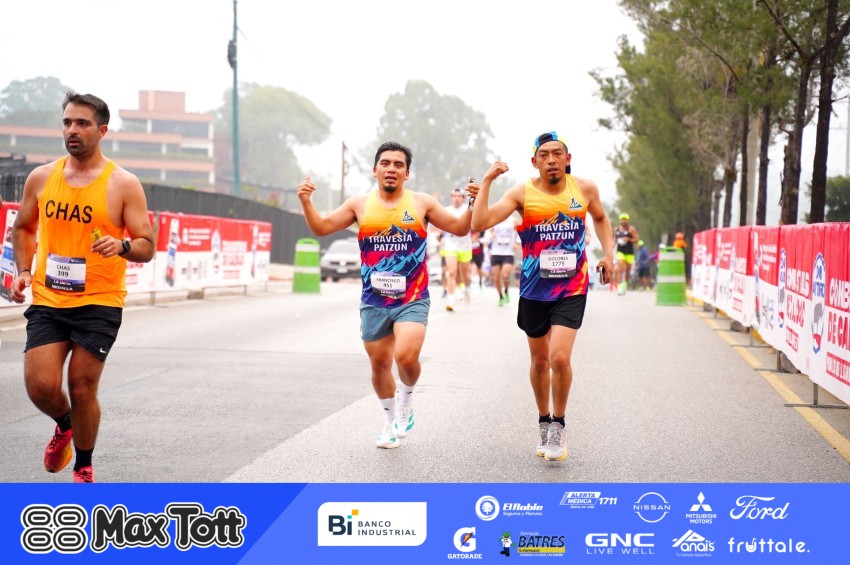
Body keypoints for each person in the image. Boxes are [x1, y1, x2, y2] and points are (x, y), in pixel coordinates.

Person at [10, 91, 155, 483]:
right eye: (67, 123)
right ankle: (65, 425)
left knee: (81, 386)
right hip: (50, 297)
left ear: (102, 131)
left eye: (82, 124)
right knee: (40, 386)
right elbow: (23, 227)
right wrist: (23, 270)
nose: (72, 130)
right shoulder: (42, 177)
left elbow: (146, 244)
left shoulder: (123, 184)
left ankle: (84, 467)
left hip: (100, 301)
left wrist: (123, 246)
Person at [297, 141, 476, 448]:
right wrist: (306, 201)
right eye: (386, 163)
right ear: (375, 170)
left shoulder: (422, 203)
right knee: (379, 365)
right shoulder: (359, 204)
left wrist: (473, 203)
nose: (391, 169)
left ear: (407, 174)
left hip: (412, 298)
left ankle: (406, 400)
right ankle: (389, 422)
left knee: (406, 357)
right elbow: (322, 227)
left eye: (398, 165)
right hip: (374, 301)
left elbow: (459, 228)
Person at [471, 131, 614, 461]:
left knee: (559, 358)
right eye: (544, 155)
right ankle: (543, 420)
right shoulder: (522, 193)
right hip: (534, 289)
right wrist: (488, 181)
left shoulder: (585, 189)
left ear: (568, 159)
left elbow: (601, 218)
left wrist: (609, 255)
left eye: (557, 154)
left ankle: (558, 425)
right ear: (534, 162)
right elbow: (480, 222)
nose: (551, 160)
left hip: (572, 287)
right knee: (539, 361)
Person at [441, 187, 474, 311]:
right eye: (454, 196)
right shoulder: (446, 210)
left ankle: (466, 289)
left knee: (465, 275)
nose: (457, 198)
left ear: (463, 198)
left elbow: (475, 224)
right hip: (450, 245)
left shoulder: (468, 209)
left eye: (459, 196)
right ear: (451, 198)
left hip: (465, 246)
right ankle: (451, 300)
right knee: (451, 272)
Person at [489, 213, 519, 306]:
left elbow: (520, 233)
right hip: (496, 252)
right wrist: (491, 236)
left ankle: (506, 291)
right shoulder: (494, 220)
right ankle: (501, 296)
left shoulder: (513, 221)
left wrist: (517, 243)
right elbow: (488, 232)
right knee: (496, 277)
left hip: (508, 252)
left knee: (505, 274)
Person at [614, 212, 639, 296]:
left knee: (628, 270)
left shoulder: (631, 229)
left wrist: (628, 239)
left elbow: (636, 239)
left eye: (625, 219)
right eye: (622, 219)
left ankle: (625, 285)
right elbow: (614, 239)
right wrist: (611, 246)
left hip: (629, 252)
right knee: (620, 269)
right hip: (620, 251)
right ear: (620, 220)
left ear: (628, 220)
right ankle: (619, 288)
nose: (623, 221)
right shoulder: (617, 229)